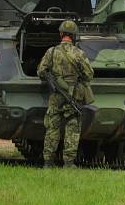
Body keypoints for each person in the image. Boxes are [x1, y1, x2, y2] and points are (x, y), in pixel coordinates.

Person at [37, 19, 94, 168]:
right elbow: (89, 74)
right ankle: (68, 163)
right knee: (72, 128)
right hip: (73, 94)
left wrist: (54, 80)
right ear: (74, 36)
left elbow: (41, 71)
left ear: (61, 34)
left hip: (56, 95)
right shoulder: (79, 53)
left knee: (52, 127)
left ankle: (48, 162)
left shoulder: (52, 51)